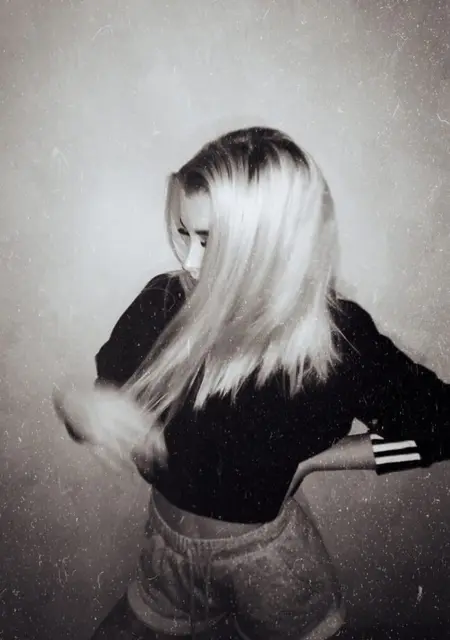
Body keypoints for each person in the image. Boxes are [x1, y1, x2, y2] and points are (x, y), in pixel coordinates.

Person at [53, 127, 450, 640]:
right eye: (185, 234)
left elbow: (441, 426)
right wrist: (80, 406)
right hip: (167, 553)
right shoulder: (164, 301)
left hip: (269, 567)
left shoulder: (335, 338)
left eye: (210, 241)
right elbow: (105, 393)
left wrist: (315, 459)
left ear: (273, 244)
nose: (188, 261)